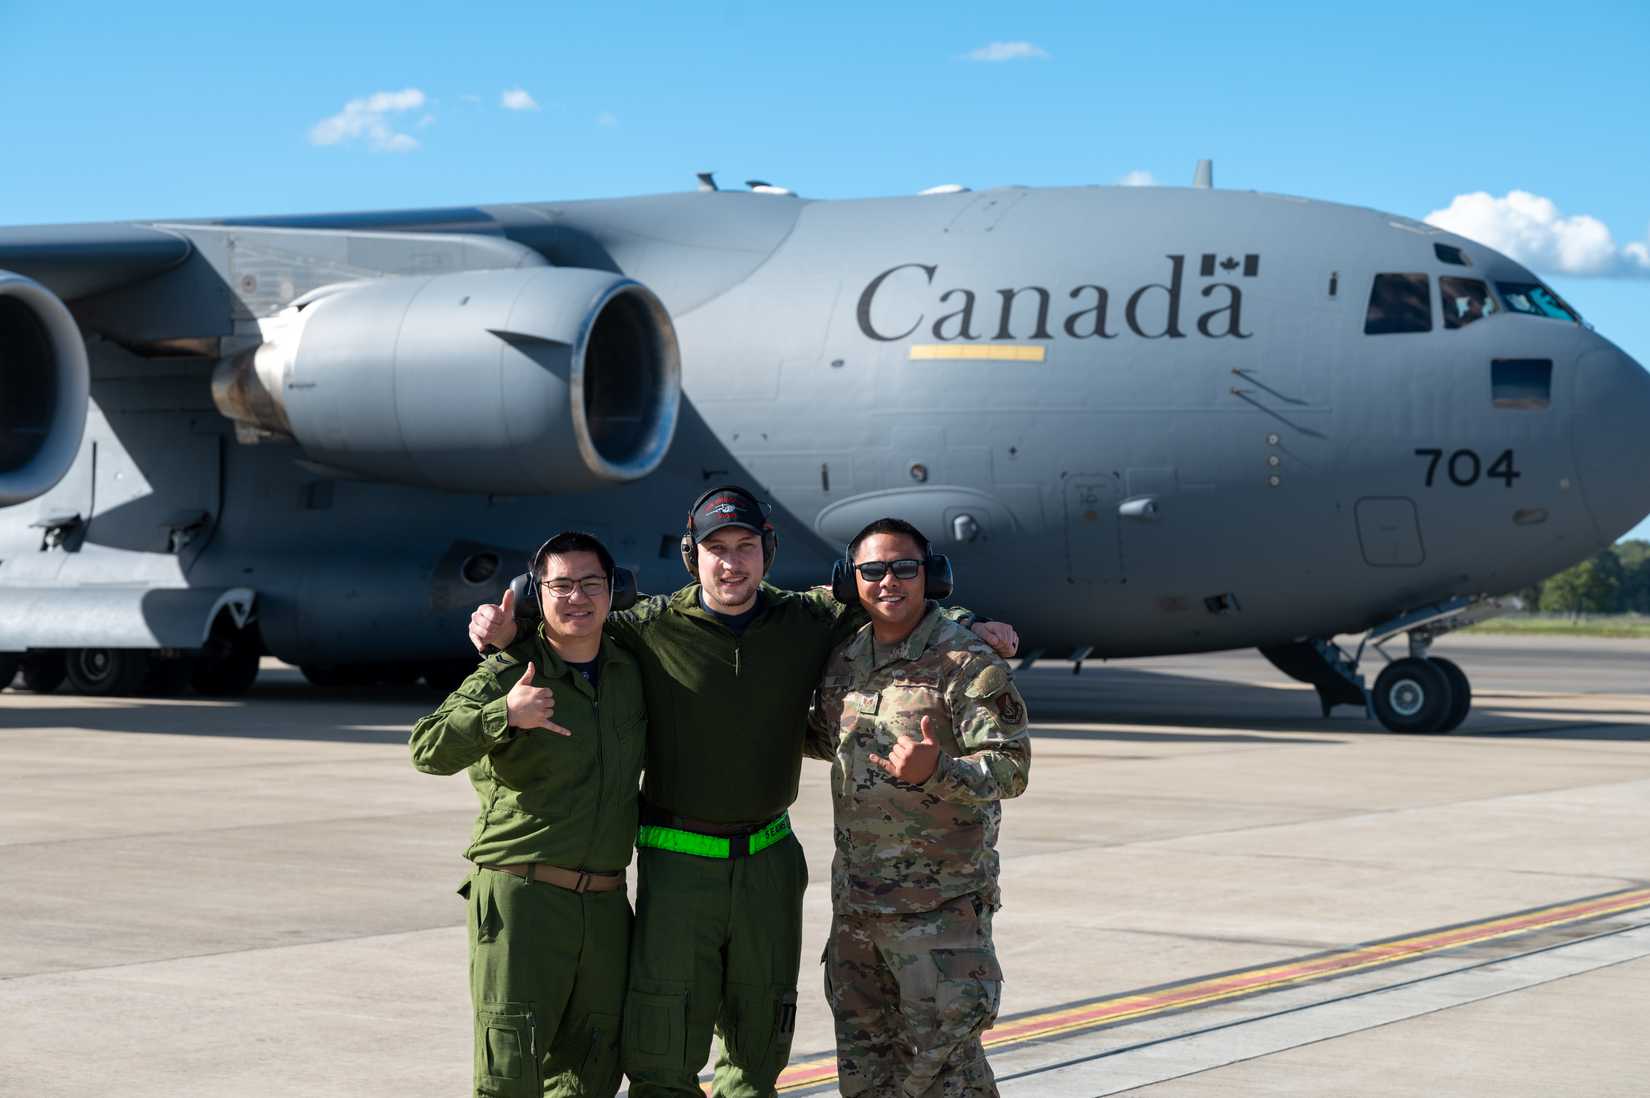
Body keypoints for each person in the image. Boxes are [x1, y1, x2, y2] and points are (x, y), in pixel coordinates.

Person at [468, 486, 1019, 1098]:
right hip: (678, 865)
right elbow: (568, 622)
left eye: (746, 547)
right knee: (662, 1051)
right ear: (691, 557)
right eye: (716, 549)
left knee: (758, 1049)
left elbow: (890, 601)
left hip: (768, 863)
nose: (732, 563)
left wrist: (970, 622)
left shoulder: (806, 617)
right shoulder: (646, 627)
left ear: (768, 552)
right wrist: (505, 626)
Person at [412, 531, 647, 1098]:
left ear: (613, 591)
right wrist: (503, 714)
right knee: (509, 1070)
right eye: (560, 585)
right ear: (535, 593)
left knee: (592, 1069)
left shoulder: (632, 671)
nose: (576, 598)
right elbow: (428, 749)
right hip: (523, 898)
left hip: (606, 903)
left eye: (591, 584)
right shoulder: (510, 671)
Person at [806, 517, 1031, 1098]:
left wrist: (940, 770)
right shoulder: (846, 659)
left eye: (904, 568)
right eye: (872, 570)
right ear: (849, 580)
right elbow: (821, 736)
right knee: (866, 1074)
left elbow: (1011, 768)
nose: (889, 582)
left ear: (929, 576)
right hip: (856, 912)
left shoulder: (967, 661)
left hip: (940, 918)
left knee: (945, 1077)